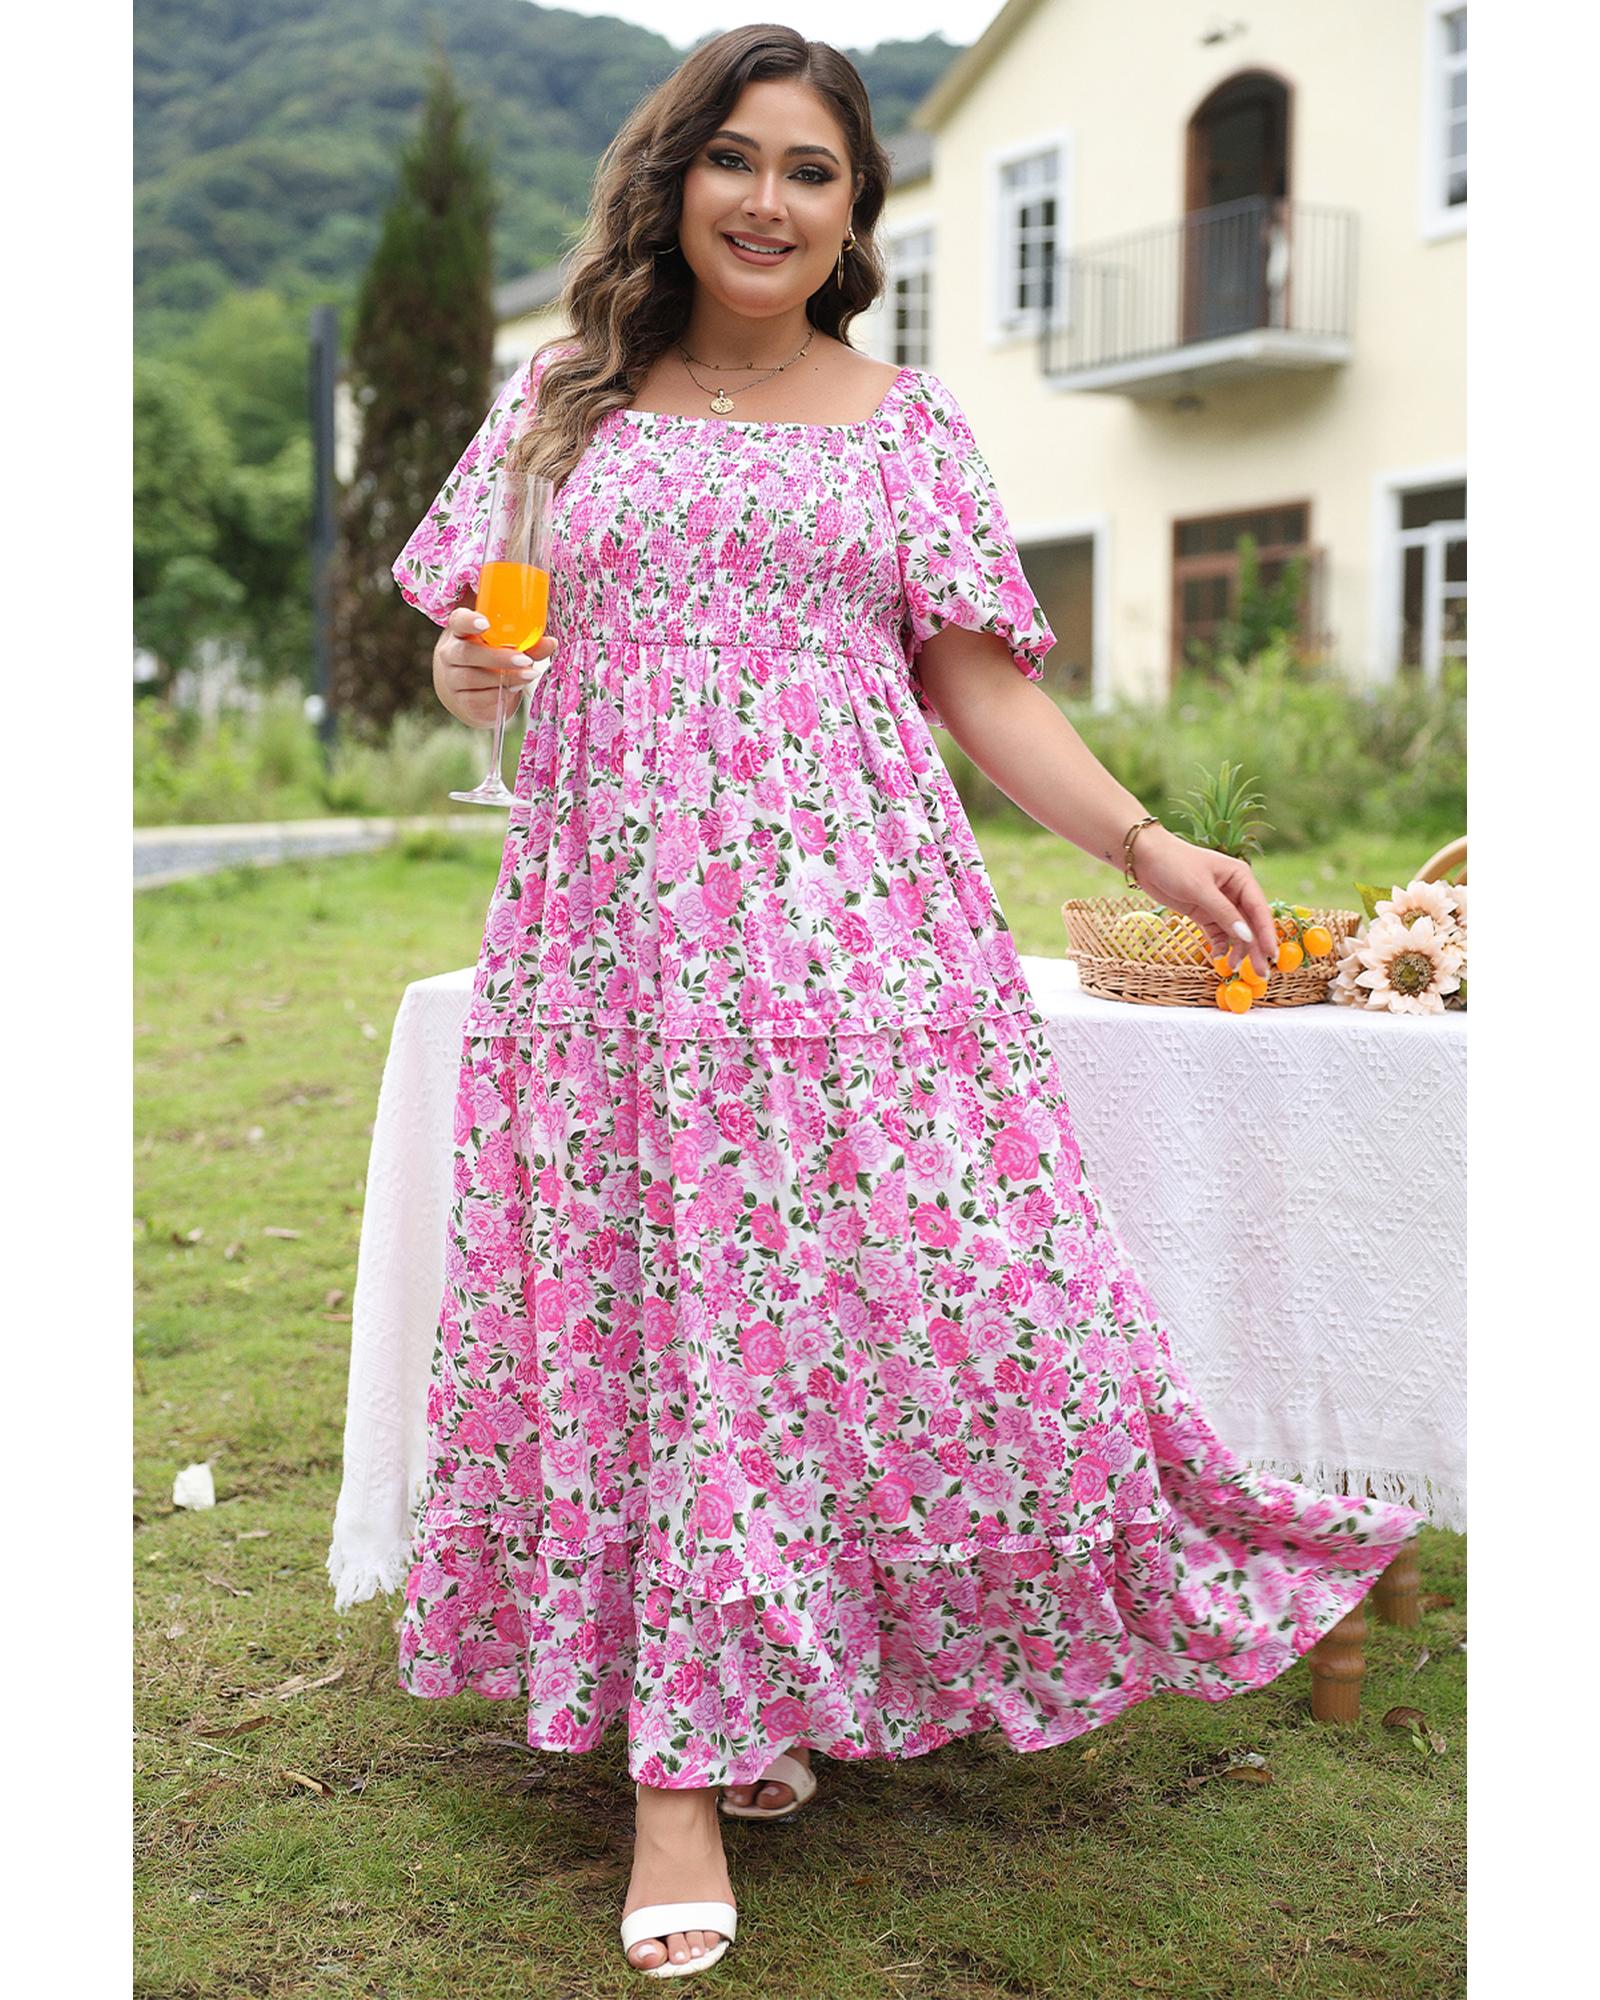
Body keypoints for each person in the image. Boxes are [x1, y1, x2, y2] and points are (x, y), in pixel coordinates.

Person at [389, 24, 1424, 1980]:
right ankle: (681, 1768)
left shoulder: (904, 422)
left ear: (855, 211)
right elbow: (480, 636)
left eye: (811, 171)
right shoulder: (559, 403)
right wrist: (468, 682)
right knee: (651, 1308)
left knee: (854, 1304)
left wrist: (1145, 845)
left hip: (858, 934)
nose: (767, 201)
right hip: (612, 936)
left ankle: (775, 1662)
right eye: (735, 158)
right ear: (673, 178)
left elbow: (978, 684)